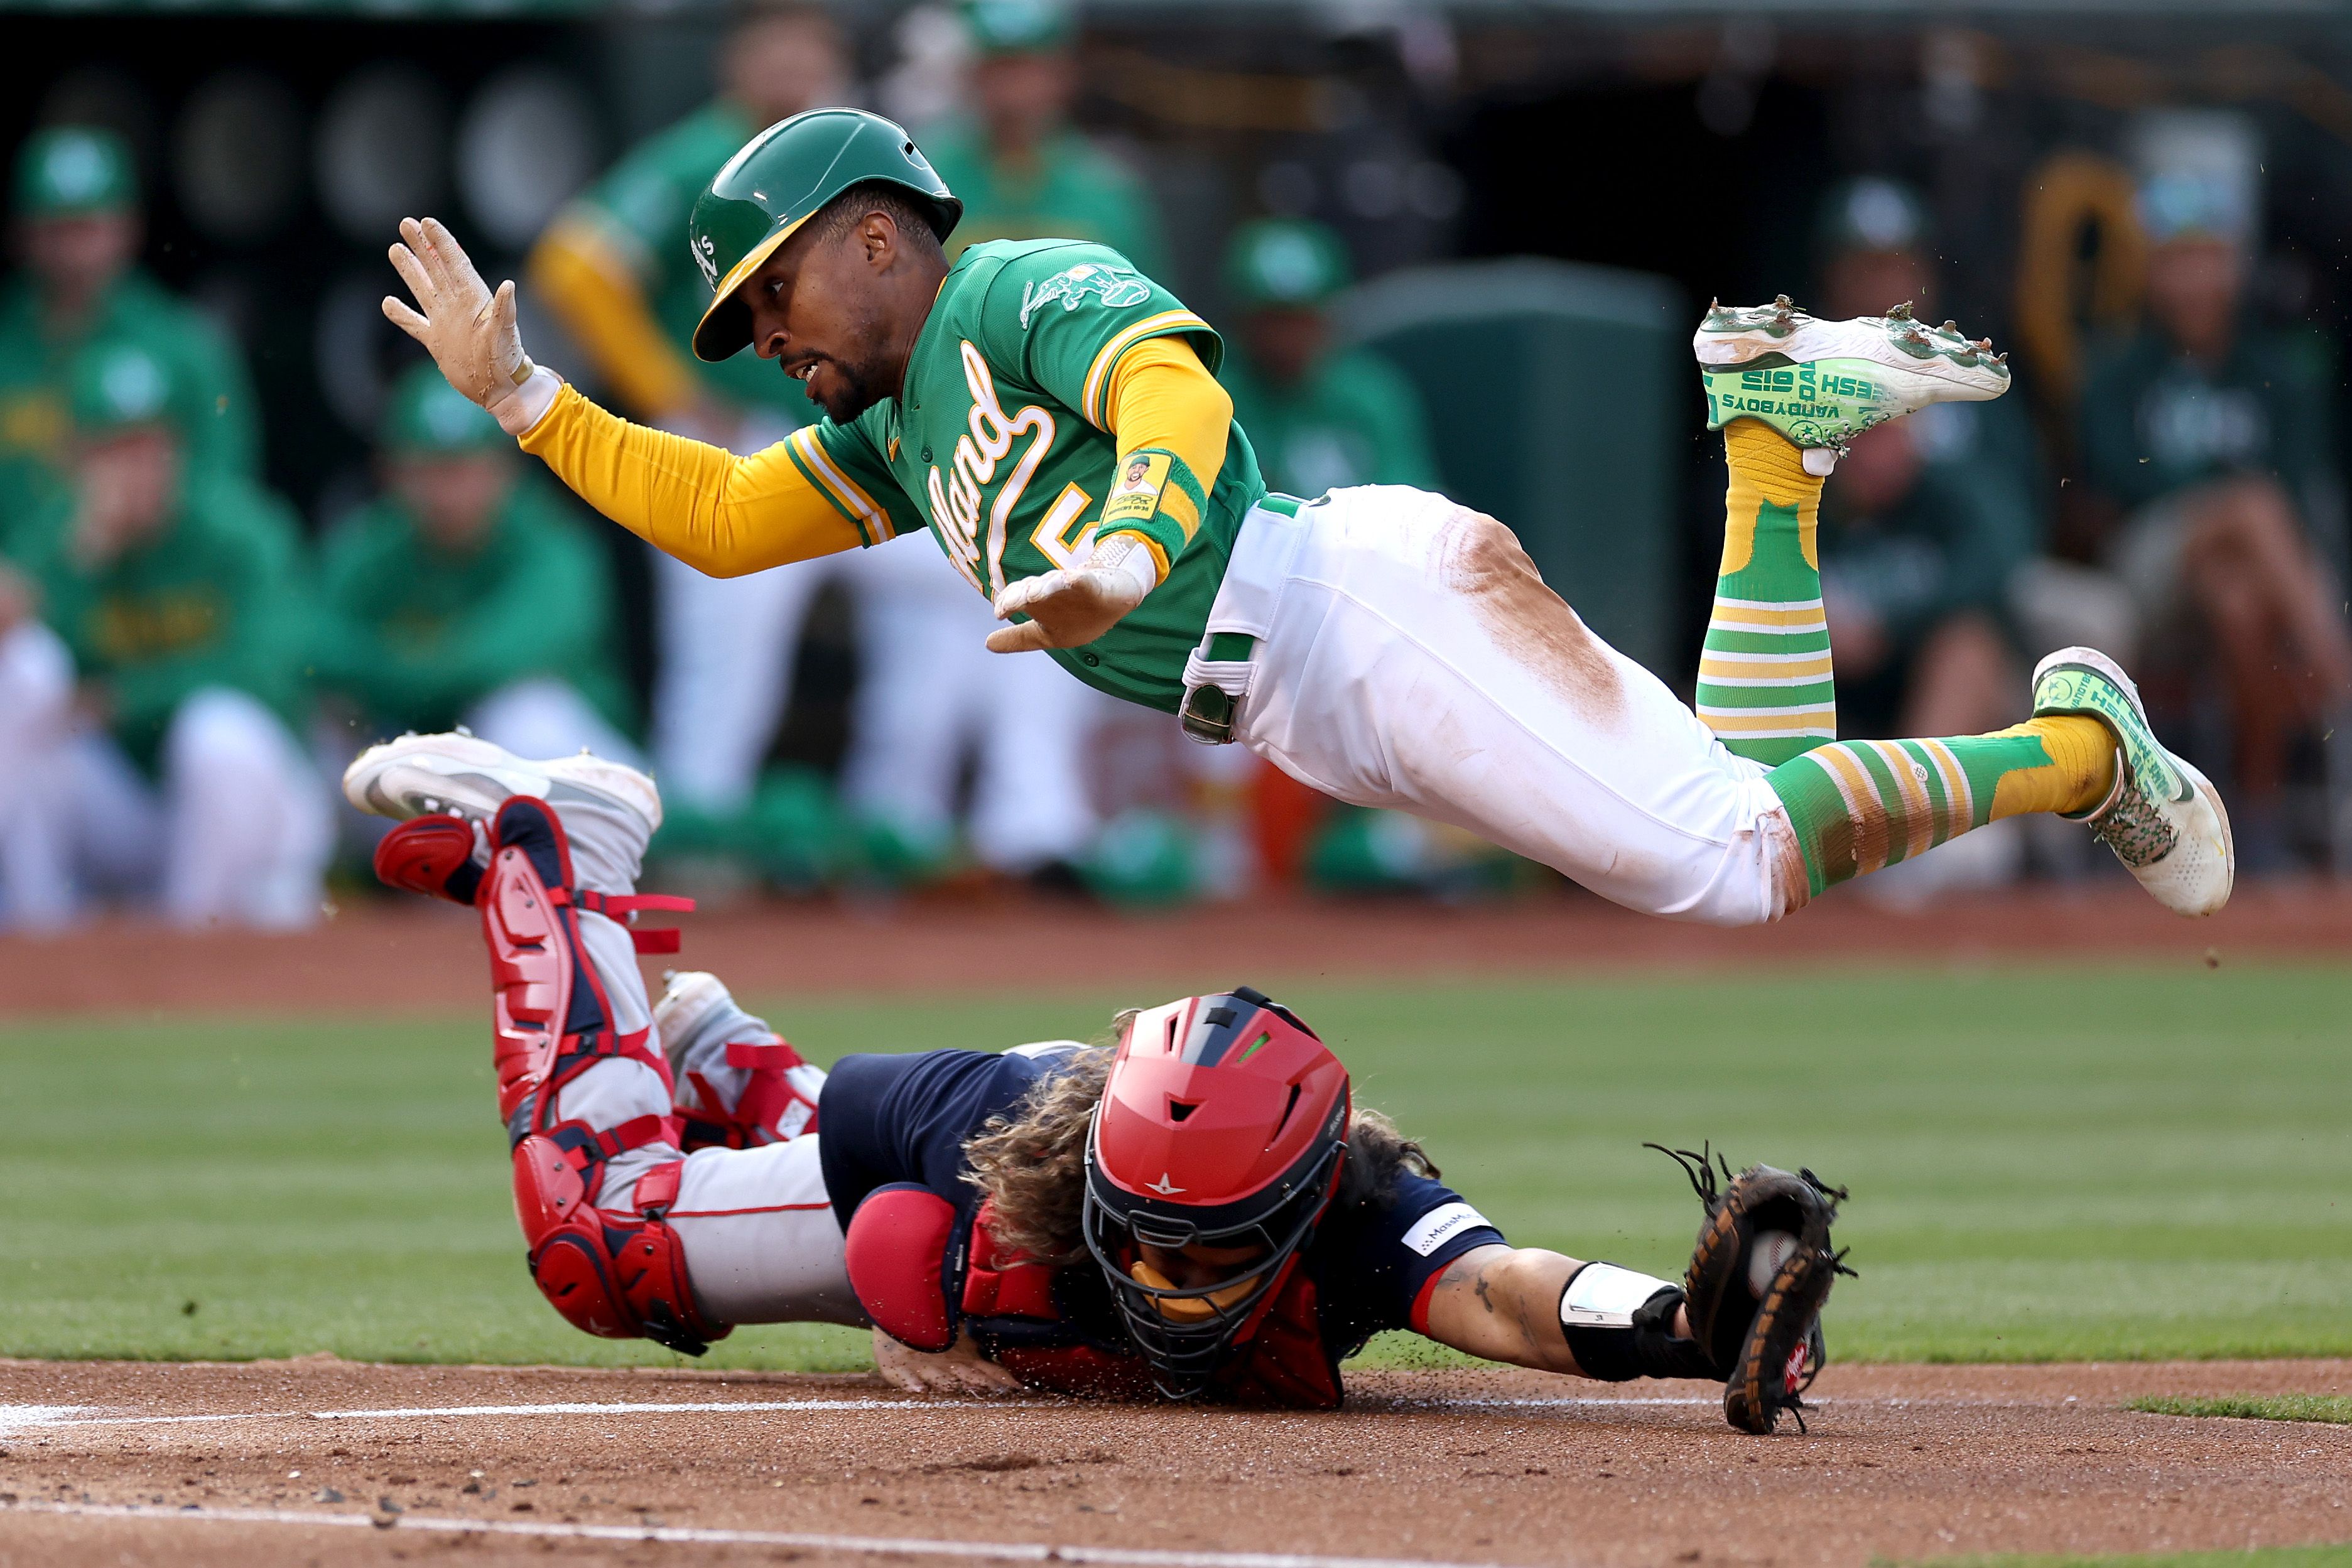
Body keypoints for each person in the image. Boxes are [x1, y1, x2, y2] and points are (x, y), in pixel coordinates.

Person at [381, 107, 2234, 927]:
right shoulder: (895, 422)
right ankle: (1773, 447)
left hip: (1353, 607)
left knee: (1730, 862)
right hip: (1313, 690)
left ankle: (2075, 745)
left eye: (770, 295)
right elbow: (707, 513)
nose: (764, 338)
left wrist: (1130, 537)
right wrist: (526, 399)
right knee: (1741, 812)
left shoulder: (1009, 281)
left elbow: (1178, 398)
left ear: (876, 233)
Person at [340, 727, 1850, 1432]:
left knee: (772, 1181)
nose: (1168, 1278)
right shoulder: (1024, 1190)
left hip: (1025, 1125)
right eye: (1149, 1235)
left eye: (1208, 1244)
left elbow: (1510, 1289)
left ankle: (721, 1053)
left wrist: (1683, 1323)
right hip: (935, 1133)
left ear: (1299, 1199)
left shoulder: (1357, 1200)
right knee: (603, 1244)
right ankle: (568, 857)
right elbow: (888, 1250)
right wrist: (913, 1316)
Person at [528, 0, 852, 828]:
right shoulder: (710, 154)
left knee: (974, 578)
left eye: (806, 47)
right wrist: (670, 393)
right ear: (734, 60)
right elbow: (575, 263)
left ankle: (937, 827)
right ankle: (695, 834)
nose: (791, 66)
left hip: (846, 438)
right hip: (737, 441)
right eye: (773, 46)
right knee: (726, 653)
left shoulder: (850, 158)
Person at [2075, 163, 2352, 865]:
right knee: (2248, 505)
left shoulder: (2280, 370)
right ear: (2150, 271)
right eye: (2177, 260)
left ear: (2235, 265)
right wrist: (2218, 491)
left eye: (2209, 259)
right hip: (2146, 573)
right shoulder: (2114, 370)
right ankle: (2341, 680)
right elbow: (2117, 484)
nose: (2194, 280)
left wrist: (2225, 500)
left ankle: (2249, 818)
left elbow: (2303, 491)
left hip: (2244, 575)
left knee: (2240, 600)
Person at [0, 341, 326, 927]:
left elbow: (271, 672)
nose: (137, 468)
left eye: (150, 446)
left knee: (216, 730)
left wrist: (128, 698)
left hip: (252, 813)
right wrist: (77, 562)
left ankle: (191, 947)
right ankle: (32, 932)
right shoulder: (64, 540)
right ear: (77, 457)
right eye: (115, 449)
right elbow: (20, 637)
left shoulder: (239, 530)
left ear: (178, 448)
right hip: (131, 806)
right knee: (22, 668)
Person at [315, 364, 637, 764]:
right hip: (406, 742)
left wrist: (388, 665)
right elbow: (313, 648)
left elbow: (503, 658)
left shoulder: (553, 544)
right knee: (323, 728)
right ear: (392, 472)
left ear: (506, 469)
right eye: (430, 470)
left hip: (576, 769)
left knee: (523, 715)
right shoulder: (372, 545)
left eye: (465, 470)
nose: (448, 493)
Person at [0, 127, 261, 526]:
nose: (72, 253)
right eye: (56, 229)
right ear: (22, 235)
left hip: (141, 583)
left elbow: (228, 496)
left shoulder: (187, 349)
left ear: (128, 227)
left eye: (87, 228)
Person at [916, 0, 1167, 275]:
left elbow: (1146, 305)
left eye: (1027, 68)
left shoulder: (1107, 190)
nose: (1011, 90)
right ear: (971, 74)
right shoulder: (925, 180)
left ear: (1063, 75)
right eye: (998, 68)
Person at [1217, 218, 1439, 499]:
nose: (1287, 338)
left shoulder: (1372, 396)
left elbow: (1413, 509)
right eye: (1273, 319)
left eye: (1302, 319)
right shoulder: (1216, 397)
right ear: (1242, 321)